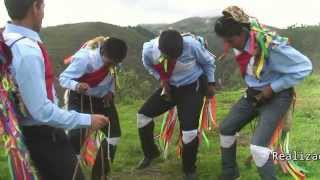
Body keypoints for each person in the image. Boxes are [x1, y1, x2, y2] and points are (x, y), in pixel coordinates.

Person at [2, 0, 109, 179]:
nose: (43, 12)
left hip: (32, 133)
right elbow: (41, 111)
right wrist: (87, 119)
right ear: (36, 7)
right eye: (43, 6)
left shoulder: (8, 39)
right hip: (44, 135)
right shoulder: (27, 50)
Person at [214, 6, 313, 180]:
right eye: (225, 41)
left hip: (277, 96)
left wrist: (272, 88)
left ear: (241, 33)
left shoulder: (270, 46)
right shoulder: (241, 36)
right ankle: (230, 173)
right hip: (254, 93)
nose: (227, 45)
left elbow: (305, 66)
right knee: (226, 129)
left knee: (258, 148)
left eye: (230, 40)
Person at [137, 30, 216, 180]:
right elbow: (148, 66)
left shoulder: (191, 45)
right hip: (170, 88)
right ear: (161, 50)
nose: (174, 58)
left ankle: (189, 170)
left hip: (192, 87)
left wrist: (211, 83)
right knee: (143, 116)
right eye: (170, 56)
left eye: (177, 55)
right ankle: (151, 153)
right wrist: (161, 79)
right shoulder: (148, 50)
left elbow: (208, 62)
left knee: (189, 131)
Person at [59, 36, 127, 180]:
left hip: (102, 100)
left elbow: (113, 77)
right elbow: (63, 78)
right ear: (102, 51)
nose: (112, 65)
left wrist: (111, 91)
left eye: (115, 63)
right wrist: (77, 85)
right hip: (79, 99)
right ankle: (72, 176)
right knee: (76, 139)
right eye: (110, 62)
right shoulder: (84, 58)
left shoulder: (115, 60)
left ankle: (100, 175)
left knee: (114, 135)